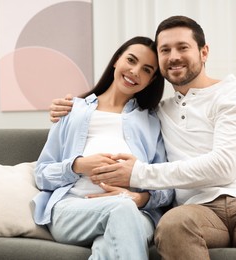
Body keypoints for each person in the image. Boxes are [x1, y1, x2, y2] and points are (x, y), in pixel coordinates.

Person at [49, 16, 236, 260]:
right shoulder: (159, 113)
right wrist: (72, 106)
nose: (173, 56)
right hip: (197, 209)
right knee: (172, 227)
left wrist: (137, 174)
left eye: (182, 47)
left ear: (204, 52)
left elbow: (224, 166)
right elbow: (114, 112)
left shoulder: (235, 94)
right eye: (165, 50)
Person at [33, 36, 174, 260]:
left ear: (151, 79)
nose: (135, 71)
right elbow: (41, 175)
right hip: (73, 209)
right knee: (120, 210)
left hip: (136, 213)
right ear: (117, 60)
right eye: (131, 60)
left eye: (146, 69)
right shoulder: (72, 110)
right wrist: (79, 165)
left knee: (109, 241)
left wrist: (139, 199)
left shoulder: (152, 121)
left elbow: (167, 185)